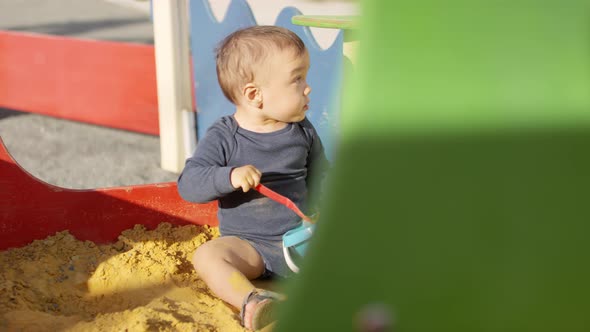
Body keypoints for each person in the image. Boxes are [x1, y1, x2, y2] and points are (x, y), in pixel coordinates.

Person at [177, 25, 329, 330]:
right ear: (254, 94)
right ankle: (253, 300)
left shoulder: (302, 129)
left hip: (301, 240)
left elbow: (320, 173)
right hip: (251, 247)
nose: (307, 87)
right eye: (297, 78)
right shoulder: (224, 137)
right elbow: (189, 183)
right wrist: (229, 176)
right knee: (208, 255)